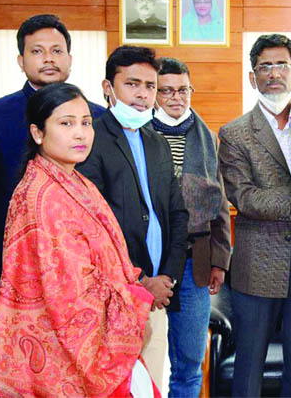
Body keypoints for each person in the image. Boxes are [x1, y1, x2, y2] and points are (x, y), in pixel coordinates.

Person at [0, 83, 159, 398]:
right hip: (72, 349)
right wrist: (132, 308)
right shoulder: (43, 197)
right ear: (38, 133)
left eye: (86, 122)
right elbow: (69, 293)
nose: (81, 133)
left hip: (103, 332)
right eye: (66, 123)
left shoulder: (73, 179)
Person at [0, 14, 105, 318]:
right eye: (37, 51)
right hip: (18, 272)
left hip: (88, 274)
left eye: (56, 50)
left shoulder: (99, 118)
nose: (48, 59)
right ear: (21, 60)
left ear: (69, 58)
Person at [218, 34, 291, 397]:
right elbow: (244, 197)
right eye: (264, 66)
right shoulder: (235, 134)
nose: (273, 73)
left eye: (281, 65)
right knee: (249, 365)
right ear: (252, 77)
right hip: (258, 260)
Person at [77, 46, 189, 392]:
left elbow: (177, 214)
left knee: (150, 384)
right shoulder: (89, 139)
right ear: (108, 88)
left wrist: (167, 276)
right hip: (114, 297)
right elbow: (94, 227)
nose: (143, 95)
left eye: (150, 86)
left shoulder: (157, 142)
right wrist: (140, 282)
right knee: (111, 387)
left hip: (158, 294)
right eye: (132, 84)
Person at [152, 57, 232, 397]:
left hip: (194, 261)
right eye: (166, 90)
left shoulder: (207, 137)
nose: (175, 97)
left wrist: (220, 259)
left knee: (189, 362)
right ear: (154, 92)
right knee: (140, 354)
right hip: (148, 261)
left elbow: (220, 202)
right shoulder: (138, 134)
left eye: (183, 89)